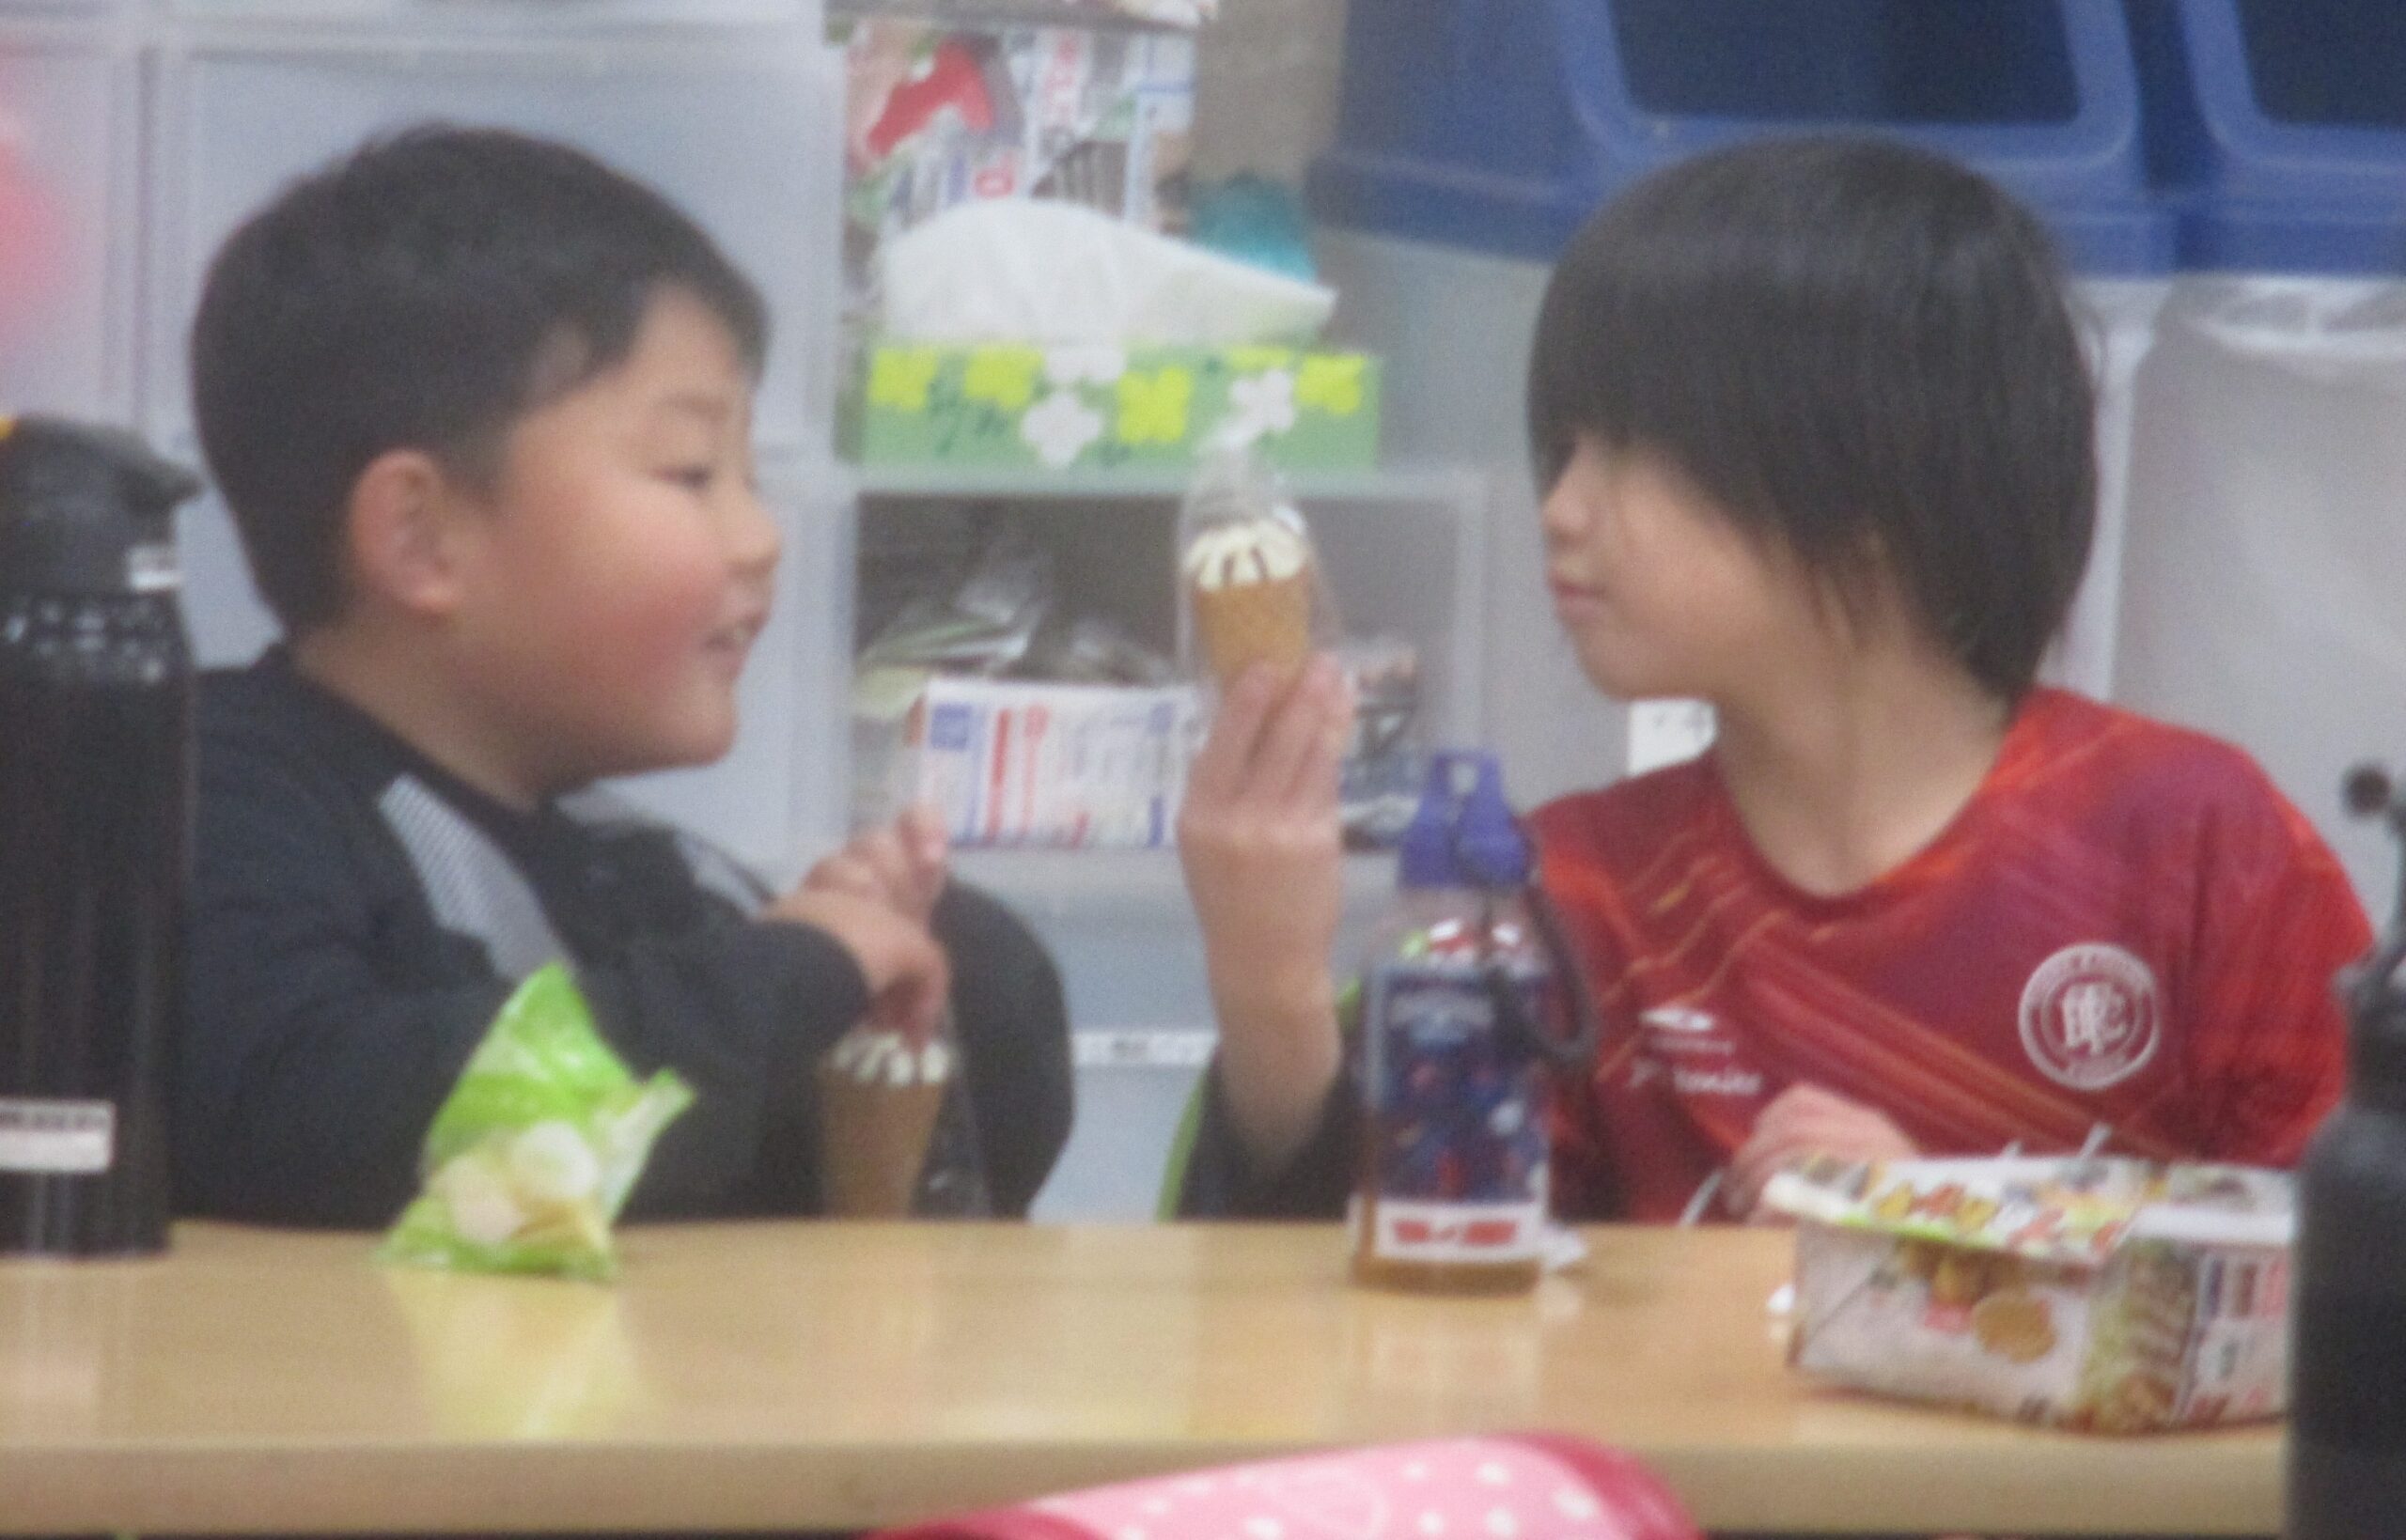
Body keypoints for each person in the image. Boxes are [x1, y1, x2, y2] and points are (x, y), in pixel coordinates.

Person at [1173, 136, 2372, 1224]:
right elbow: (1394, 1314)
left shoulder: (2196, 849)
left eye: (1627, 447)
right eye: (1564, 448)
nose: (1561, 508)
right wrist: (1268, 983)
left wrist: (1958, 1219)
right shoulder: (1576, 892)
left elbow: (2356, 1274)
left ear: (1871, 489)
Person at [179, 126, 1070, 1227]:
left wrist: (931, 975)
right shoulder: (212, 796)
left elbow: (892, 1174)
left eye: (748, 475)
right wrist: (784, 979)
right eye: (691, 473)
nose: (760, 537)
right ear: (419, 536)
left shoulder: (649, 876)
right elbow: (309, 1112)